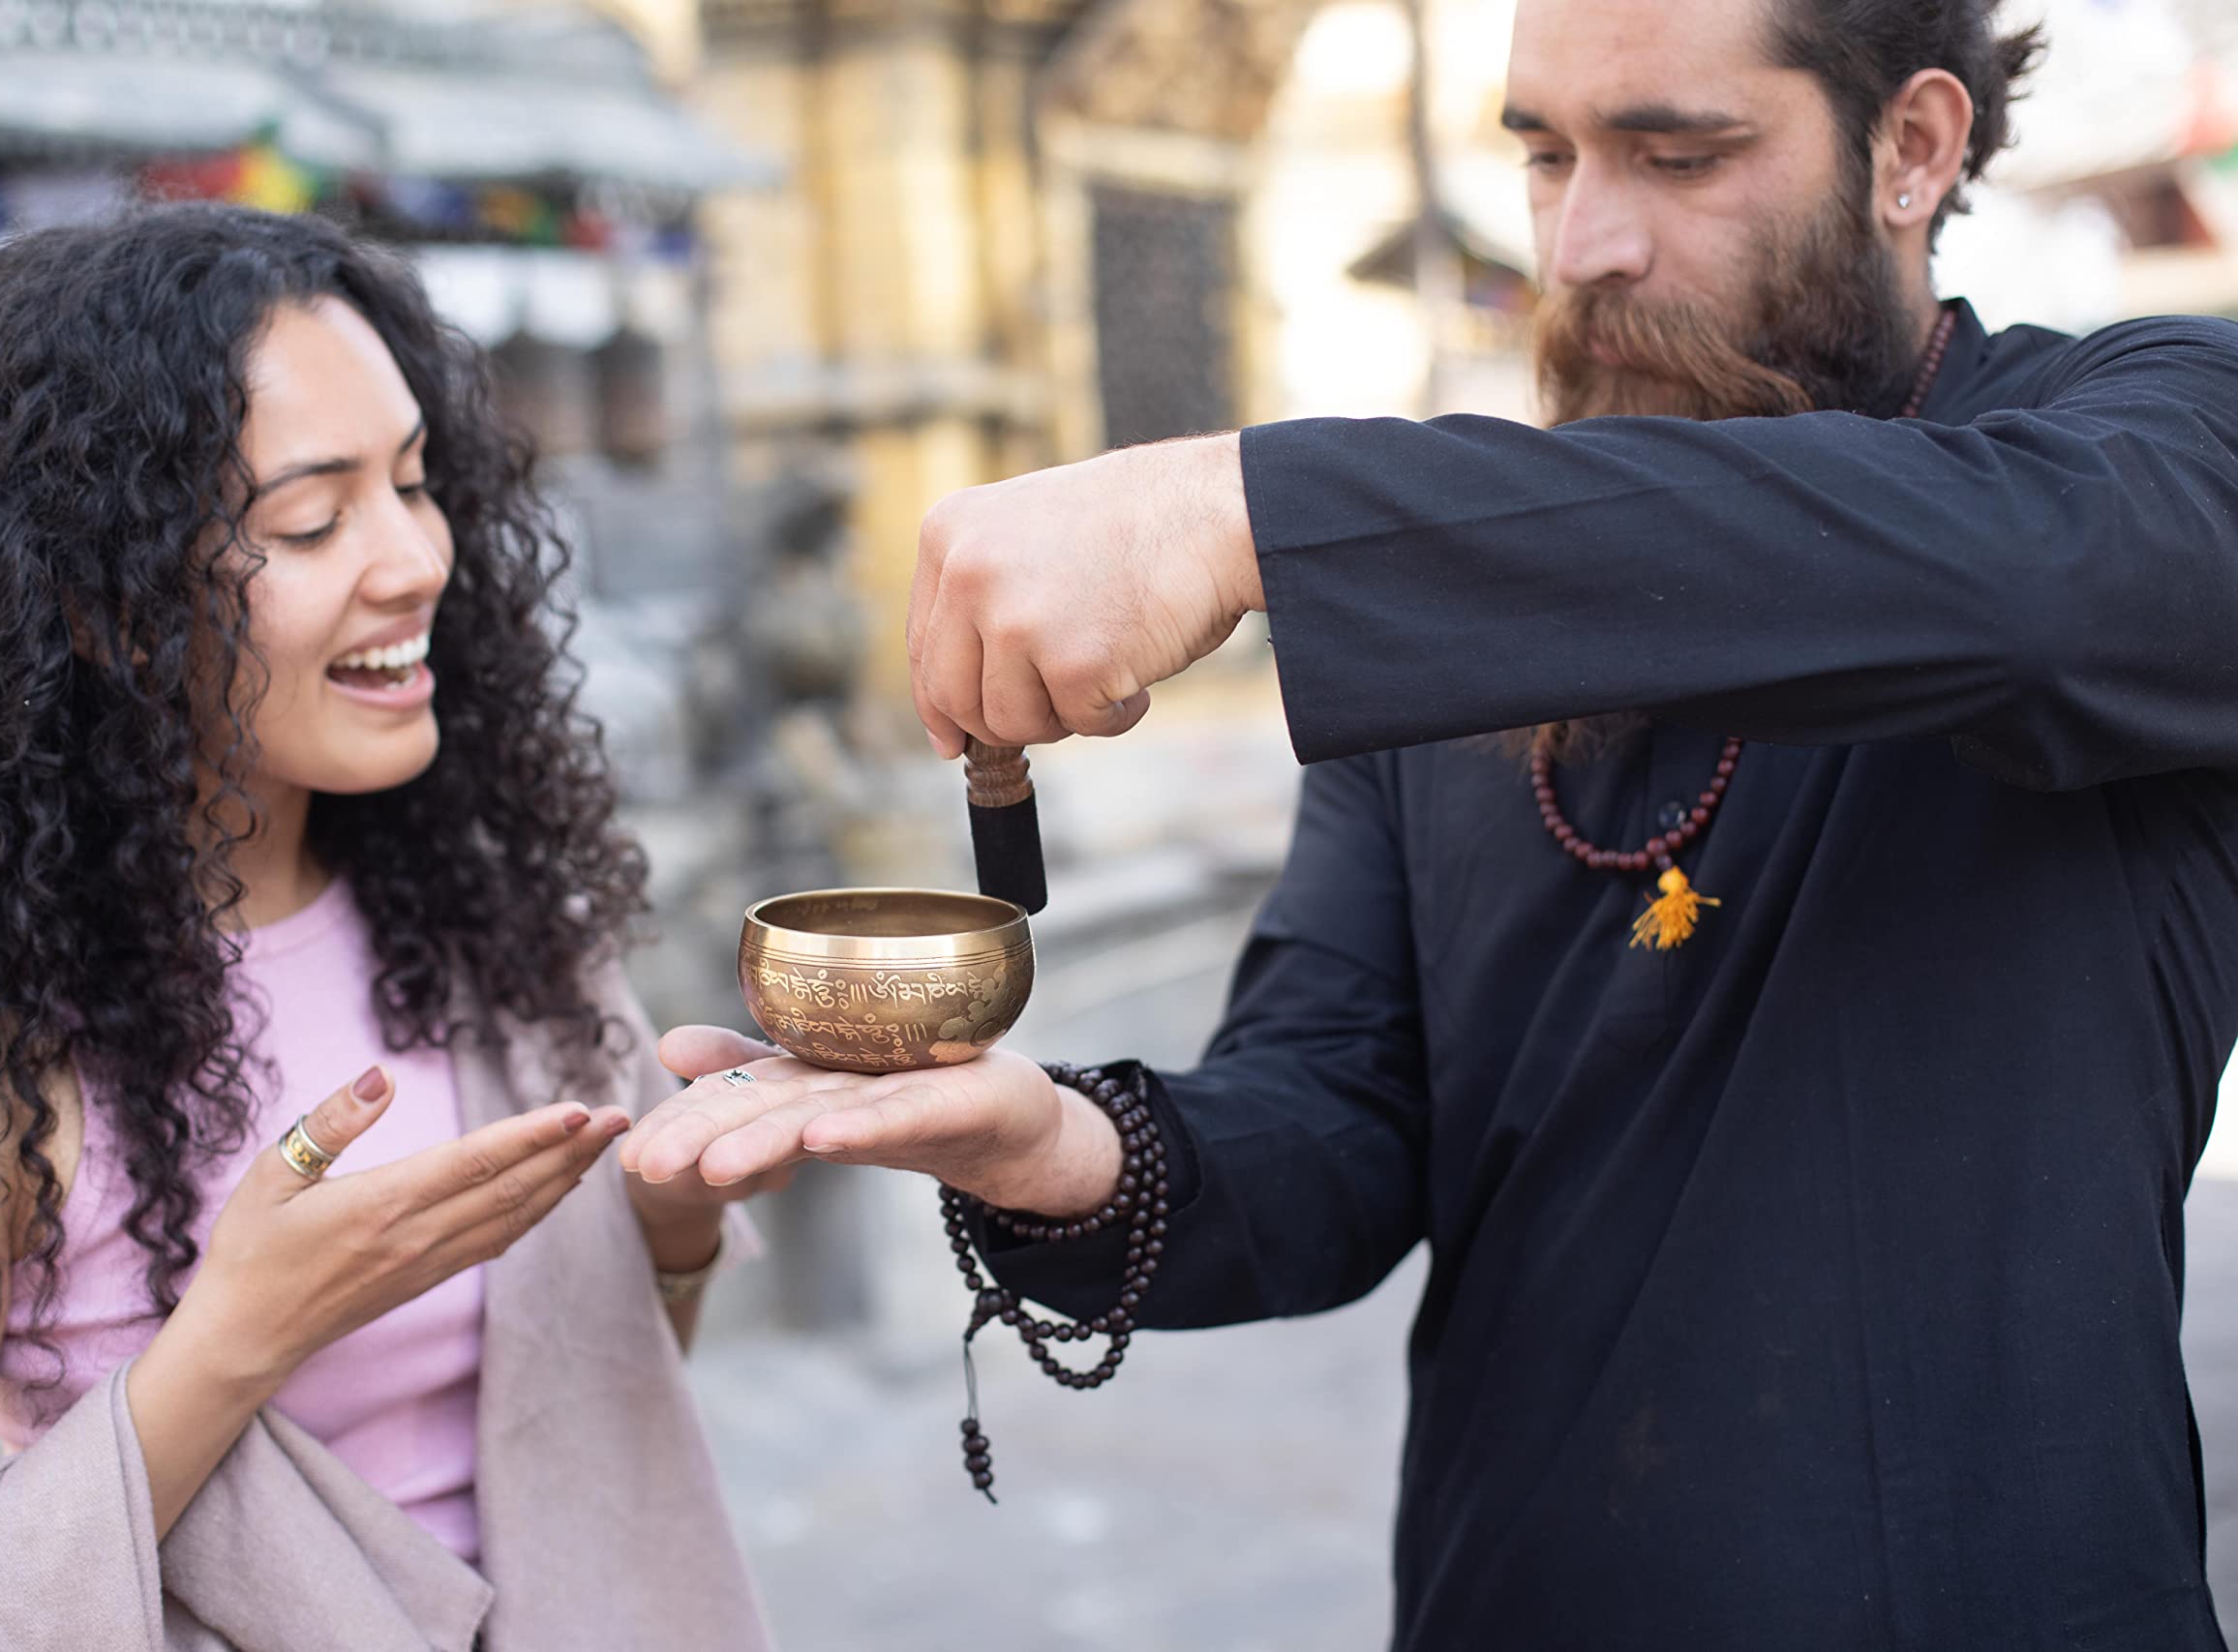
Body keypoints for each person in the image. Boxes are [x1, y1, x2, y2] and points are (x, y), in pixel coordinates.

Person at [622, 0, 2238, 1645]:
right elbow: (1335, 1124)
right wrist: (1047, 1149)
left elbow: (2057, 586)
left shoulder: (2153, 434)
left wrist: (1241, 511)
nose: (1583, 246)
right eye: (1544, 157)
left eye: (1678, 157)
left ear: (1914, 147)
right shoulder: (1473, 606)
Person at [0, 205, 777, 1650]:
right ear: (102, 600)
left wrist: (672, 1220)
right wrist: (236, 1338)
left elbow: (597, 1420)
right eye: (311, 519)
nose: (415, 561)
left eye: (415, 483)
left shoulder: (503, 932)